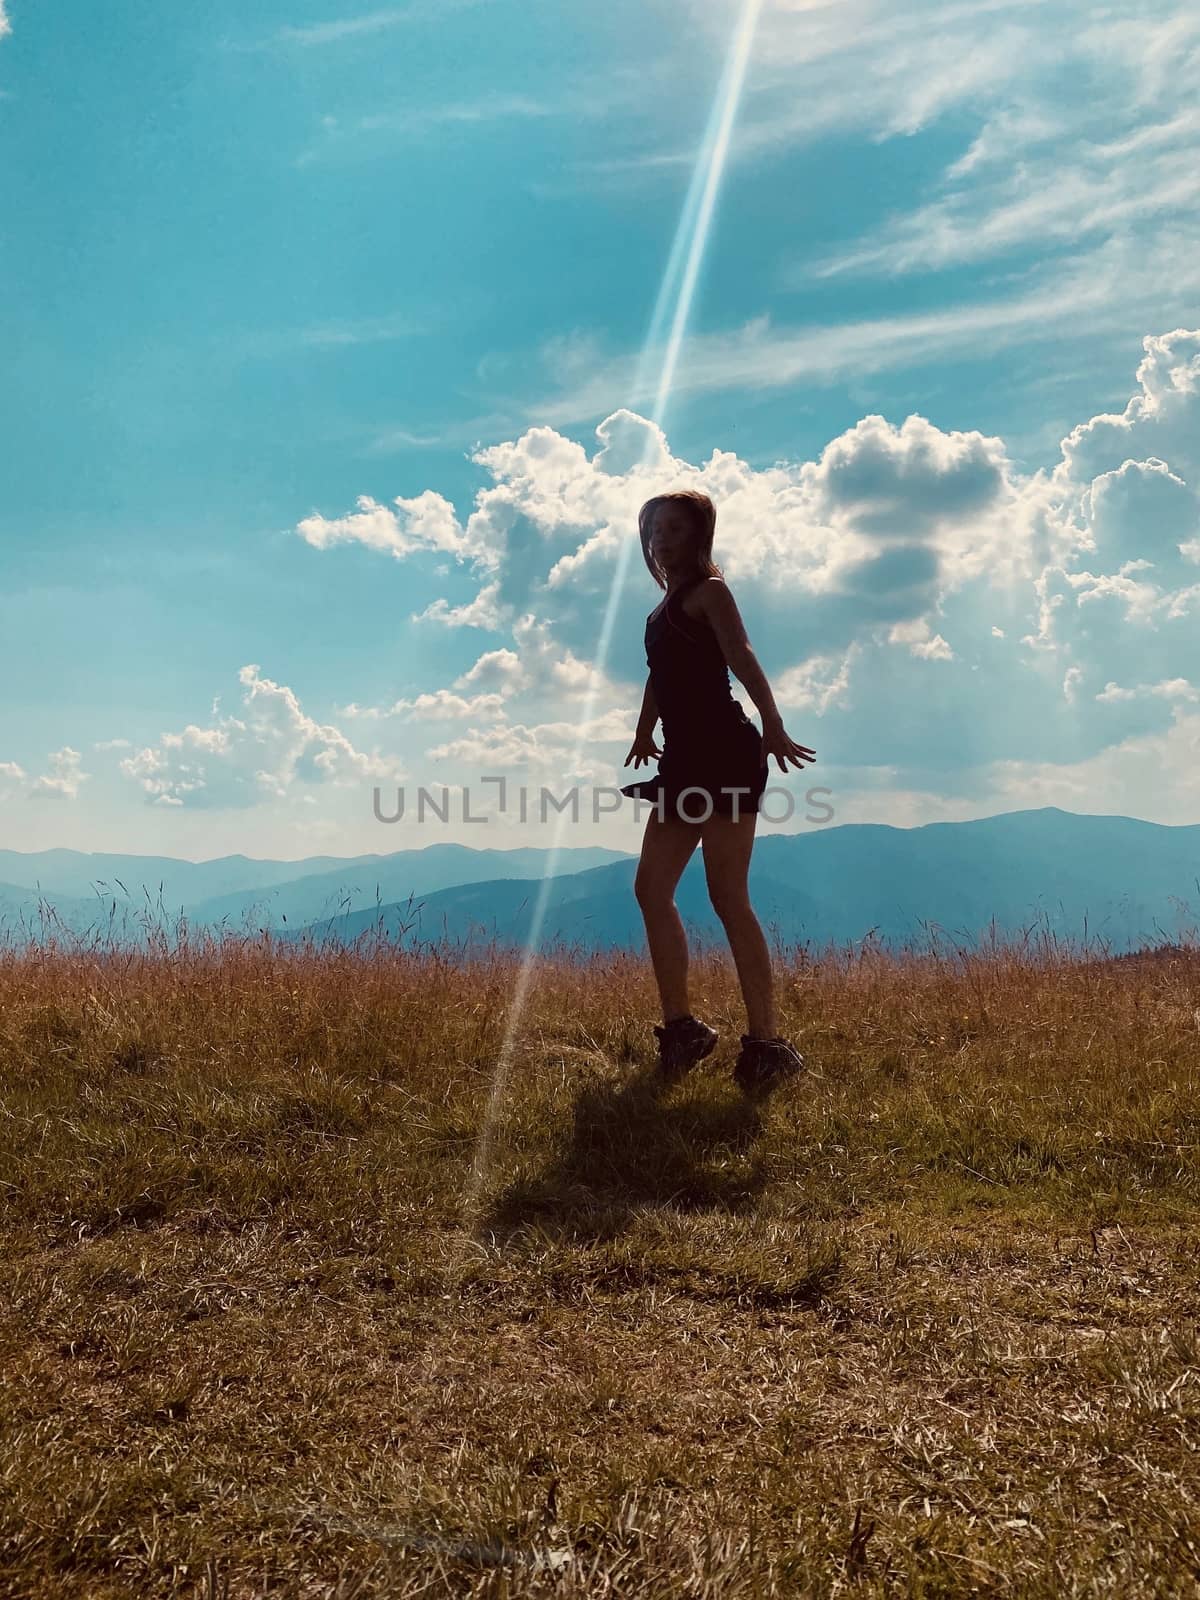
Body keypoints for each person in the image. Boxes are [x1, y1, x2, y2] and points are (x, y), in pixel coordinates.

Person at [620, 489, 817, 1095]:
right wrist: (645, 727)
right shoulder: (663, 608)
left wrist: (774, 724)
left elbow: (741, 653)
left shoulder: (710, 592)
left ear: (699, 534)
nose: (662, 538)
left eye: (675, 528)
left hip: (726, 754)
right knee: (651, 890)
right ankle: (682, 1030)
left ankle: (767, 1044)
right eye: (655, 528)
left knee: (728, 897)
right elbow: (661, 672)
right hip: (683, 760)